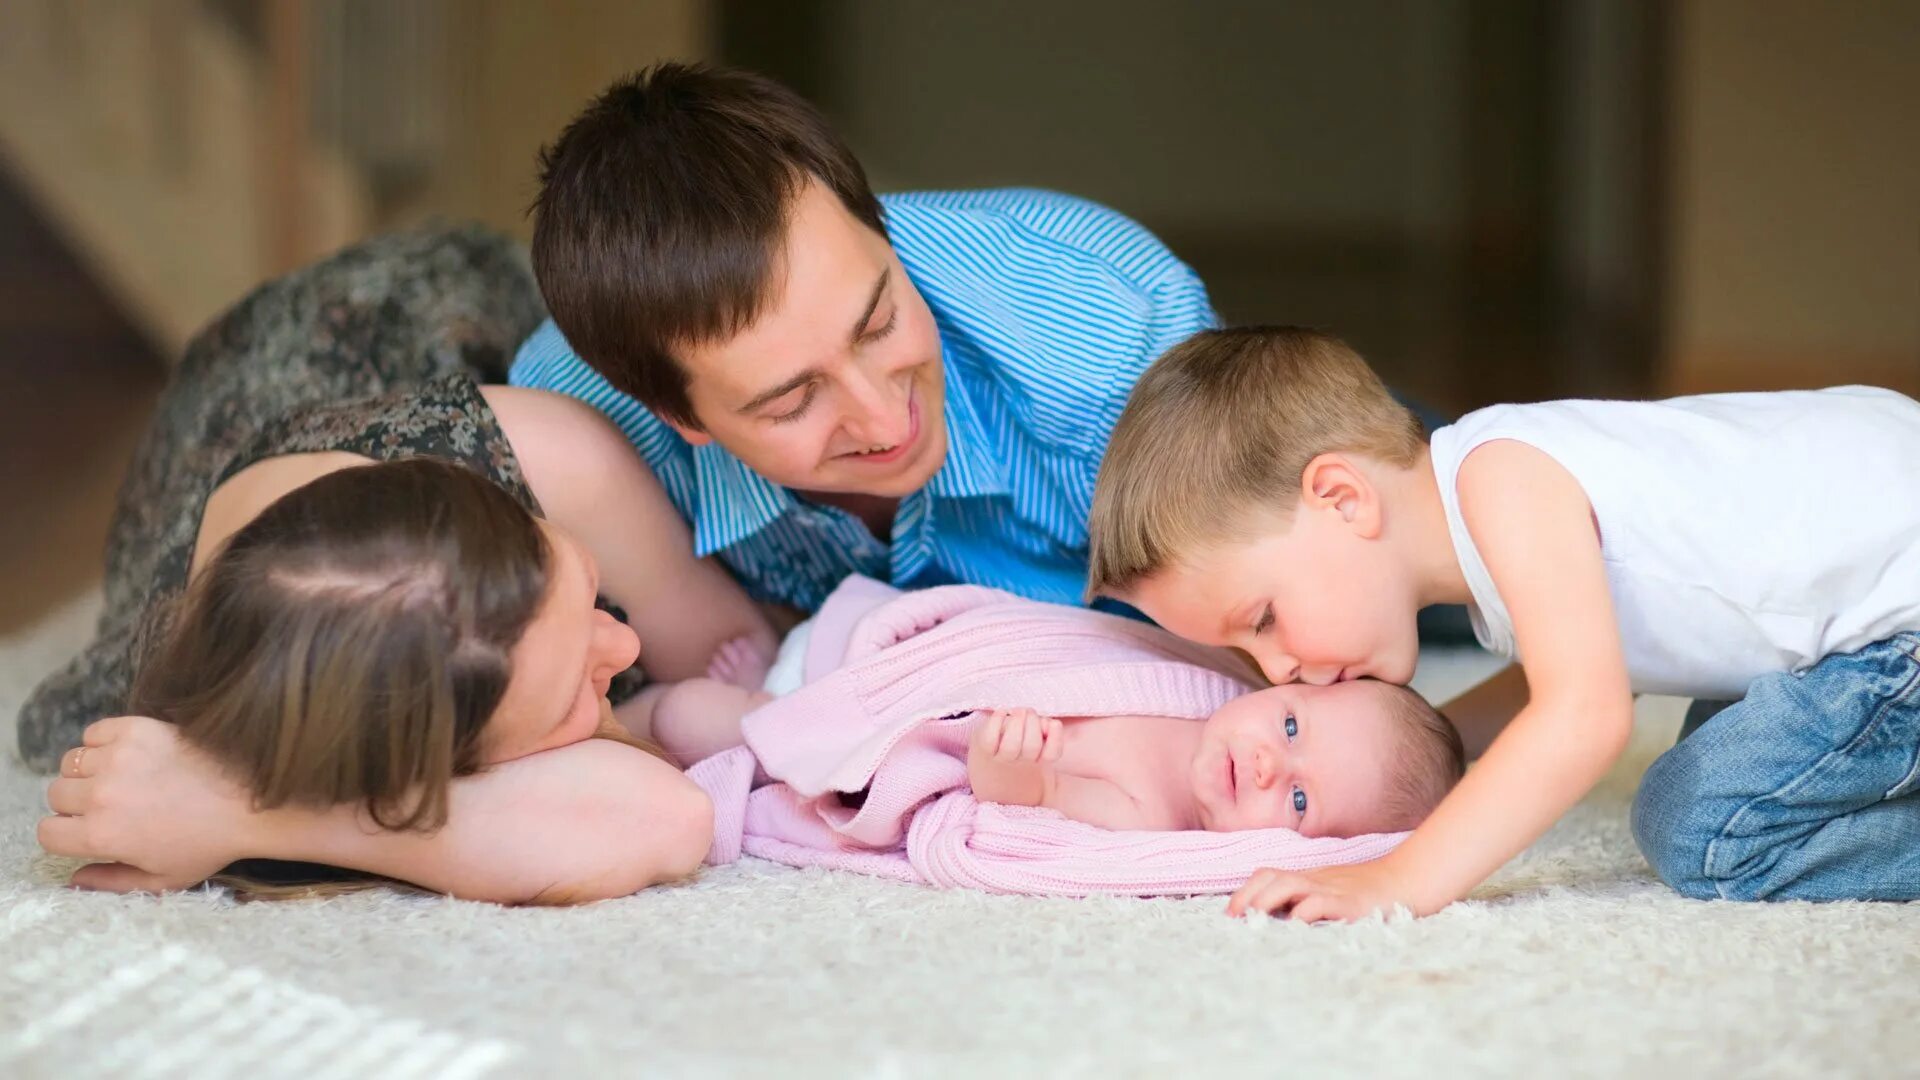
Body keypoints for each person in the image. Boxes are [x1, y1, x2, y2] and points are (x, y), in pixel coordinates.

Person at [25, 226, 776, 903]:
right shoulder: (194, 706)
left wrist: (236, 809)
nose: (627, 644)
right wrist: (257, 815)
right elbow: (664, 818)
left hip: (405, 306)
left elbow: (747, 672)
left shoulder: (562, 462)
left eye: (585, 592)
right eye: (566, 693)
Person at [1084, 325, 1920, 919]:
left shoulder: (1506, 486)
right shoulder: (1488, 499)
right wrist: (1407, 748)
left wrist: (1399, 880)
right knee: (1734, 731)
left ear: (1341, 497)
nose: (1277, 670)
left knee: (1701, 819)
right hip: (1854, 604)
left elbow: (1582, 713)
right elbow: (1559, 669)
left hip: (1899, 617)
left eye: (1263, 618)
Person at [509, 62, 1220, 614]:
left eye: (878, 324)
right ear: (681, 414)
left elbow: (1287, 647)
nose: (885, 421)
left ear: (880, 226)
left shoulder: (1113, 335)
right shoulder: (575, 431)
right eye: (791, 402)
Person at [966, 681, 1460, 837]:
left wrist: (1002, 758)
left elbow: (1038, 795)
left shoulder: (1150, 815)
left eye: (1300, 799)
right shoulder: (1208, 688)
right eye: (1290, 727)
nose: (1269, 766)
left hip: (981, 729)